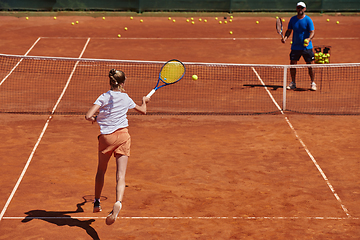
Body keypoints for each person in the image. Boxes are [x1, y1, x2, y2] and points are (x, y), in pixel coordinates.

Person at [85, 69, 150, 225]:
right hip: (123, 137)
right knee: (121, 175)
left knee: (101, 170)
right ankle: (118, 202)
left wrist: (96, 118)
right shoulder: (126, 98)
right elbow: (143, 111)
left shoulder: (104, 97)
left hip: (106, 139)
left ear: (110, 81)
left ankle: (97, 202)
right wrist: (144, 101)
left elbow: (88, 116)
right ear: (123, 83)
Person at [281, 1, 317, 91]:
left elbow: (312, 32)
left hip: (306, 47)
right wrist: (285, 37)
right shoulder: (293, 19)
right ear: (296, 9)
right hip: (295, 47)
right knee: (293, 65)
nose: (300, 9)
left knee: (310, 65)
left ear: (304, 9)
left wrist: (309, 39)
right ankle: (293, 82)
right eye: (298, 7)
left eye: (302, 8)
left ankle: (313, 83)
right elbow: (289, 30)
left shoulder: (308, 20)